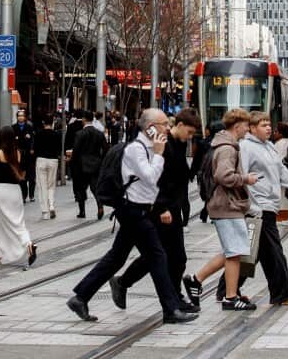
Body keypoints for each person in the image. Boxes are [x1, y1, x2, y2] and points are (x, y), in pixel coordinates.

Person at [66, 109, 196, 325]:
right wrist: (159, 153)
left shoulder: (148, 147)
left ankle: (81, 297)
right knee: (157, 257)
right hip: (133, 210)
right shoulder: (136, 149)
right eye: (164, 124)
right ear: (150, 128)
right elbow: (151, 177)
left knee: (116, 258)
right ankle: (170, 309)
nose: (167, 127)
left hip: (139, 210)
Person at [112, 109, 202, 312]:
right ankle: (125, 283)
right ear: (178, 125)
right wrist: (161, 207)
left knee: (174, 257)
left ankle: (170, 296)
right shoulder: (163, 145)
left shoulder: (178, 145)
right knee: (159, 256)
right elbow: (155, 179)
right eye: (189, 132)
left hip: (173, 209)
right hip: (160, 210)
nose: (190, 137)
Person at [183, 108, 262, 310]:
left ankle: (199, 280)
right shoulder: (227, 148)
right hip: (226, 204)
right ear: (237, 126)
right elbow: (223, 176)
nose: (248, 129)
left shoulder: (224, 144)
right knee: (235, 251)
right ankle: (228, 296)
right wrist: (246, 179)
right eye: (246, 125)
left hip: (227, 204)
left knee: (233, 251)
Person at [238, 111, 288, 306]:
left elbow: (281, 171)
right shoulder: (246, 147)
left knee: (255, 252)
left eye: (269, 124)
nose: (268, 128)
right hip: (259, 207)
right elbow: (241, 178)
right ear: (252, 128)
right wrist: (251, 206)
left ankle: (227, 288)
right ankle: (283, 293)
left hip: (269, 205)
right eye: (262, 124)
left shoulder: (269, 147)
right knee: (275, 252)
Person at [0, 126, 36, 265]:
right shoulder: (21, 154)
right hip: (15, 192)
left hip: (0, 191)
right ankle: (28, 243)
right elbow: (23, 176)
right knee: (18, 222)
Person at [69, 113, 108, 219]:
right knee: (95, 187)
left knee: (81, 188)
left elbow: (76, 150)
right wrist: (101, 161)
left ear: (84, 120)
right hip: (96, 165)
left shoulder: (80, 134)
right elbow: (105, 149)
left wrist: (72, 163)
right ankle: (100, 206)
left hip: (81, 166)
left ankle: (82, 212)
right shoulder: (99, 134)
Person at [35, 116, 63, 219]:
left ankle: (45, 211)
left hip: (41, 160)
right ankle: (51, 205)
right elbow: (59, 149)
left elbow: (35, 149)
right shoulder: (56, 134)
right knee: (51, 185)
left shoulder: (38, 134)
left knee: (42, 186)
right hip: (53, 160)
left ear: (43, 123)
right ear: (52, 123)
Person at [14, 109, 36, 202]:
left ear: (25, 117)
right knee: (21, 177)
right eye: (19, 116)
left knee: (31, 176)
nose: (21, 117)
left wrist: (32, 149)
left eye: (22, 116)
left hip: (29, 155)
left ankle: (31, 195)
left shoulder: (29, 127)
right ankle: (23, 195)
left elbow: (33, 140)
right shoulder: (13, 127)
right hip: (19, 155)